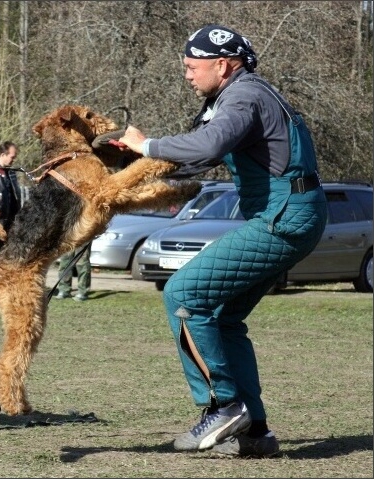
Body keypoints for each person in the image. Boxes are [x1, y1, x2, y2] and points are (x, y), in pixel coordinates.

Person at [118, 24, 327, 458]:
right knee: (225, 318)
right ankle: (257, 433)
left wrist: (149, 144)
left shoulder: (244, 95)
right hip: (289, 216)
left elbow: (208, 145)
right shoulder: (238, 96)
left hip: (284, 218)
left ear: (223, 65)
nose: (187, 75)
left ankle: (225, 406)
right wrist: (120, 168)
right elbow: (194, 161)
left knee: (184, 293)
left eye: (193, 67)